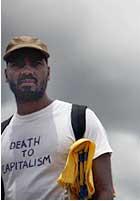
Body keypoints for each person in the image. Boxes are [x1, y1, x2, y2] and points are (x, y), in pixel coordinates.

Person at [1, 36, 114, 199]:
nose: (27, 71)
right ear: (6, 74)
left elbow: (105, 190)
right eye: (17, 65)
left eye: (36, 63)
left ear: (48, 72)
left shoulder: (79, 119)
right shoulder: (2, 134)